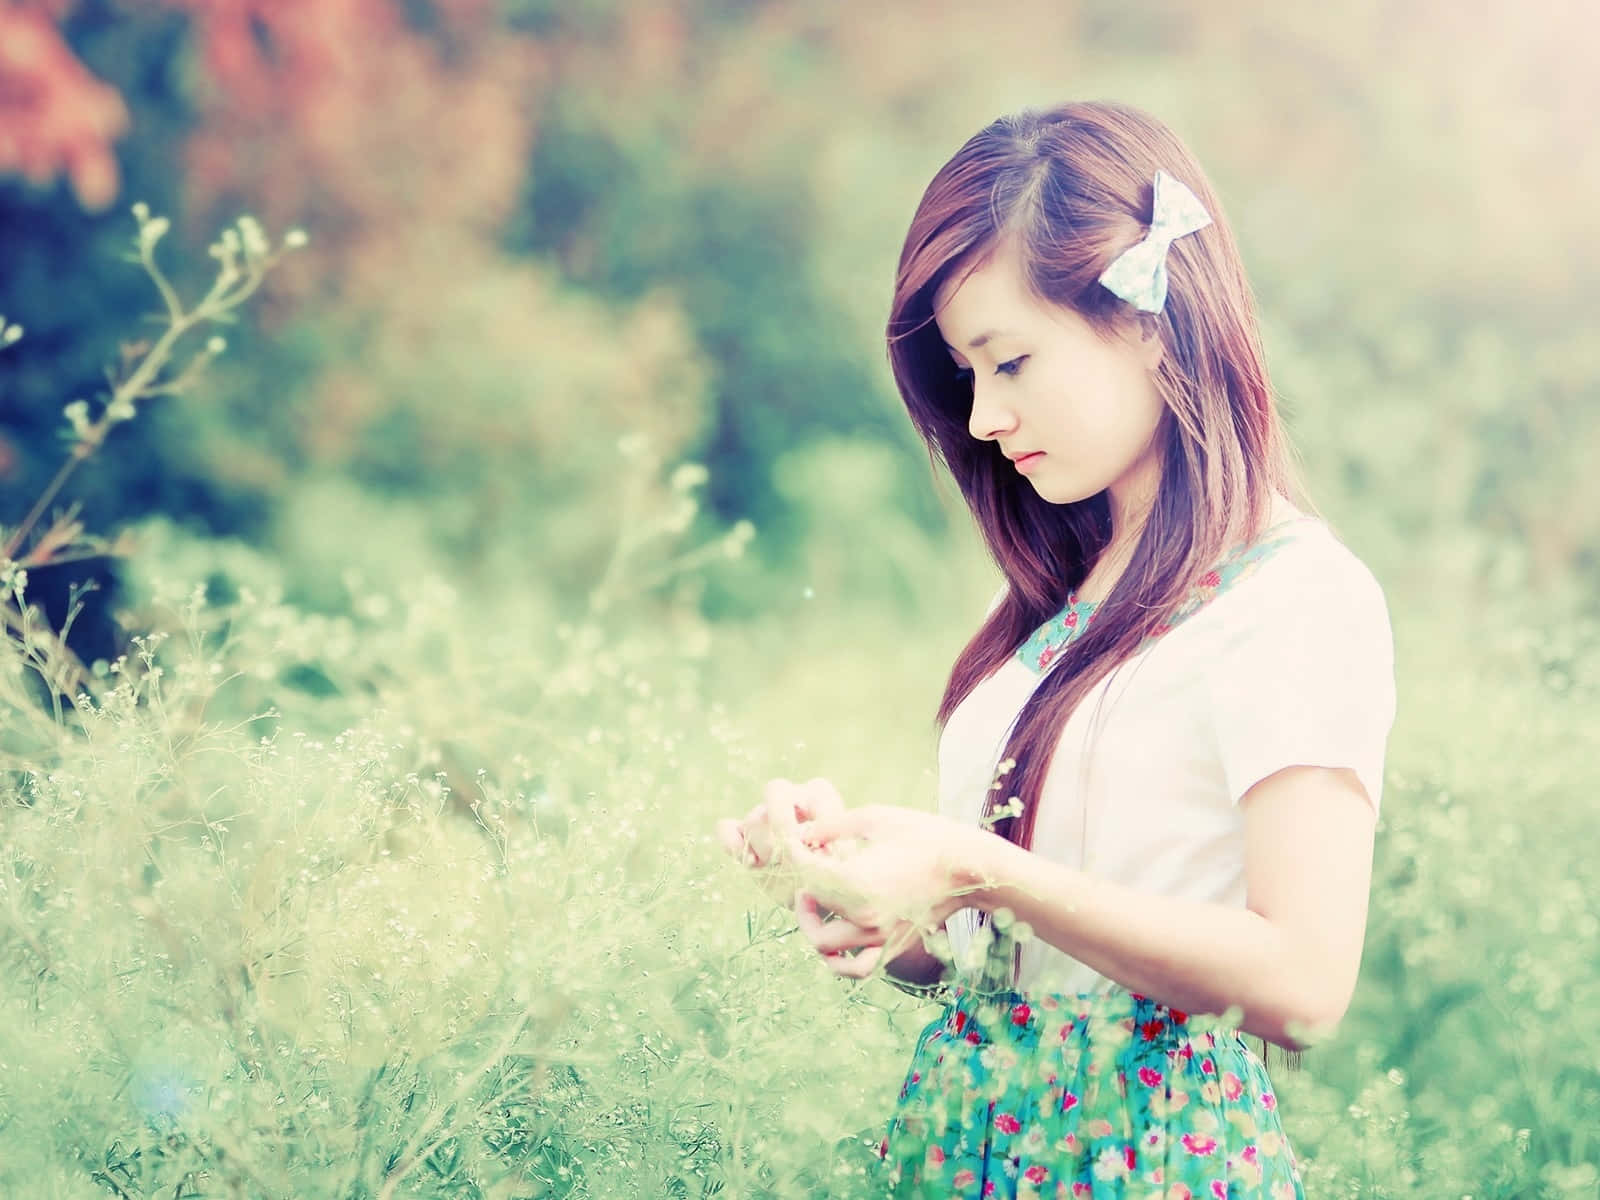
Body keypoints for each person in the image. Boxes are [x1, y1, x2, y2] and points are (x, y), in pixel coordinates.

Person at [716, 101, 1395, 1199]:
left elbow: (1306, 981)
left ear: (1148, 320)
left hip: (1152, 1157)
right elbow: (1018, 969)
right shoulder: (1055, 602)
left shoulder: (1299, 599)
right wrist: (887, 899)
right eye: (966, 377)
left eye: (1011, 361)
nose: (982, 416)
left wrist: (978, 867)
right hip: (964, 1143)